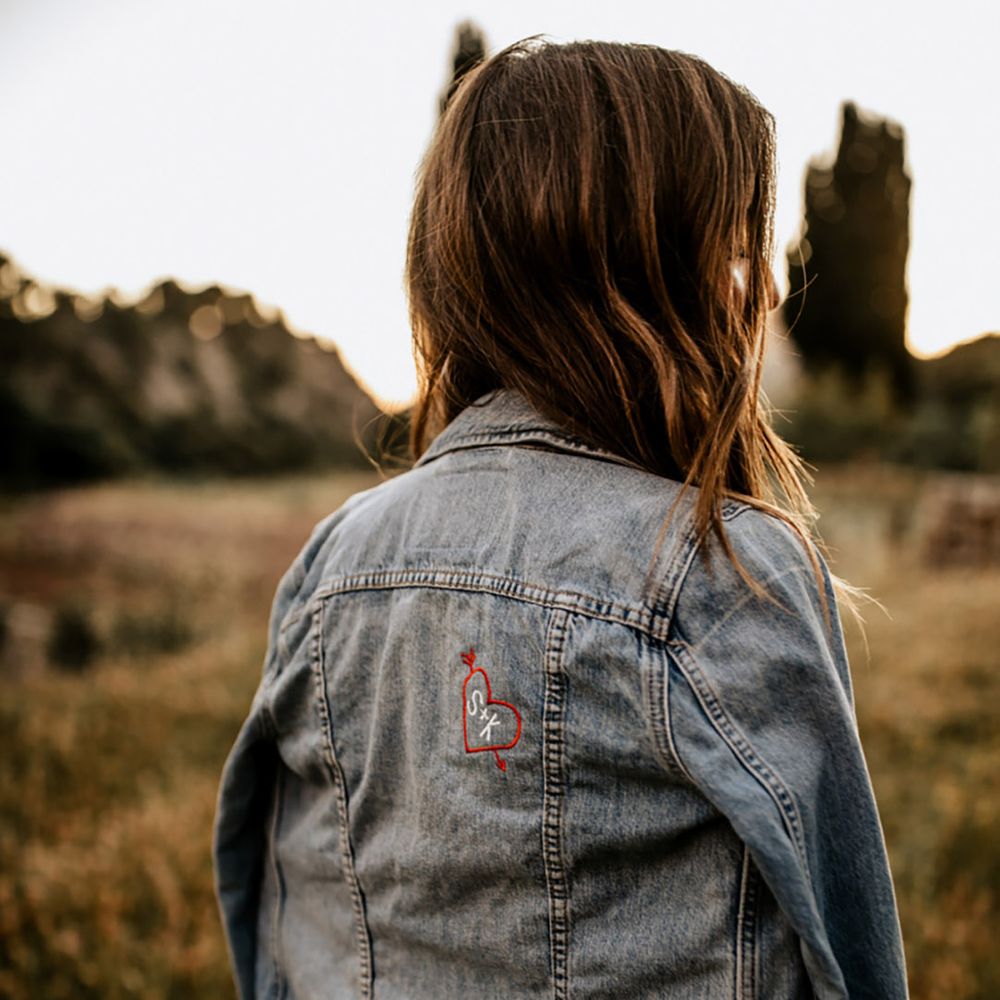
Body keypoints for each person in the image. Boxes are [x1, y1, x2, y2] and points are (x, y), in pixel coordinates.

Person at [213, 36, 909, 999]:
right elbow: (849, 958)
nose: (768, 292)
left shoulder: (333, 563)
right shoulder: (722, 569)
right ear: (664, 273)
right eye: (741, 253)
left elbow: (277, 910)